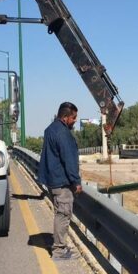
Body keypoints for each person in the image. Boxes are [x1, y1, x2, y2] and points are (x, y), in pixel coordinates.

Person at [37, 102, 82, 260]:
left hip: (52, 179)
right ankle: (59, 251)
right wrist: (76, 182)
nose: (75, 120)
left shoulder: (50, 129)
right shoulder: (63, 133)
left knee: (59, 213)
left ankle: (60, 245)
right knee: (63, 214)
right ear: (65, 117)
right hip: (62, 182)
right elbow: (69, 160)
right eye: (73, 118)